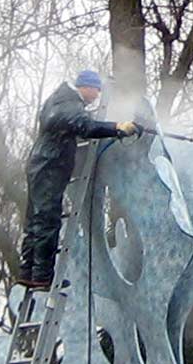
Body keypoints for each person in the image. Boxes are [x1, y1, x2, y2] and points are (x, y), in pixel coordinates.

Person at [17, 70, 138, 288]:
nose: (97, 95)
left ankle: (28, 271)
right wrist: (117, 127)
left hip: (41, 164)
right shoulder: (69, 105)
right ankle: (42, 276)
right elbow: (86, 127)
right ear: (86, 86)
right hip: (50, 166)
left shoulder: (58, 100)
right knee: (47, 220)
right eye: (96, 90)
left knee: (35, 220)